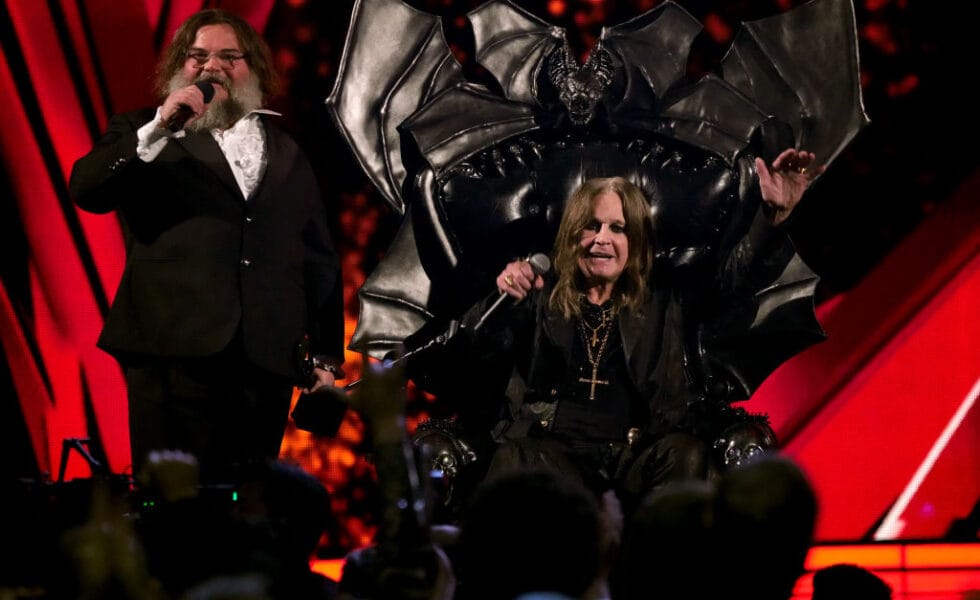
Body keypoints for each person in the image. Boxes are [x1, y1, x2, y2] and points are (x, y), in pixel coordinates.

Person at [452, 148, 818, 514]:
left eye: (618, 228)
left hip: (636, 454)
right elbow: (478, 346)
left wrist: (772, 217)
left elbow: (735, 281)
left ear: (636, 241)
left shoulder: (667, 297)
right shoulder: (538, 293)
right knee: (518, 456)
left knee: (685, 453)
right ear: (571, 235)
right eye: (591, 226)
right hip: (555, 451)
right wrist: (500, 300)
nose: (601, 239)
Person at [69, 9, 344, 484]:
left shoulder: (287, 152)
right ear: (178, 67)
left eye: (227, 56)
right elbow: (87, 189)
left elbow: (317, 257)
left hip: (264, 362)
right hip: (173, 353)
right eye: (197, 57)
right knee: (176, 510)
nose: (211, 67)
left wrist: (324, 357)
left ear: (253, 68)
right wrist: (158, 128)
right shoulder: (145, 133)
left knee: (246, 511)